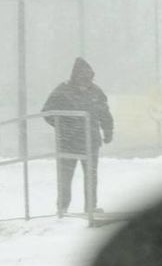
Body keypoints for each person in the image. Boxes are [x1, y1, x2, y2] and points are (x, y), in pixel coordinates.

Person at [41, 58, 114, 216]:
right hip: (68, 142)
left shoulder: (96, 92)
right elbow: (47, 112)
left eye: (89, 78)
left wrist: (108, 131)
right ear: (75, 77)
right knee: (66, 176)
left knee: (91, 175)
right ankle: (63, 207)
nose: (86, 82)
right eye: (83, 78)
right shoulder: (62, 91)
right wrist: (65, 126)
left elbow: (105, 114)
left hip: (91, 141)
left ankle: (90, 207)